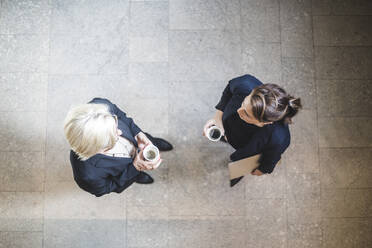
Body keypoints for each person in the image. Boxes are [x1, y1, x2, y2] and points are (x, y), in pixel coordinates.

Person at [203, 74, 302, 187]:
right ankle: (225, 137)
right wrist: (218, 117)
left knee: (238, 169)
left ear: (265, 123)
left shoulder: (279, 138)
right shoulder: (245, 83)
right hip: (228, 129)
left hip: (244, 148)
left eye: (247, 114)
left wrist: (263, 170)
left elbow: (271, 158)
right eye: (244, 103)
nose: (239, 111)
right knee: (225, 135)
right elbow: (229, 89)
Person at [64, 98, 173, 197]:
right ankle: (137, 176)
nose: (120, 132)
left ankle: (154, 141)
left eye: (114, 125)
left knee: (151, 140)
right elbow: (108, 187)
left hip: (138, 140)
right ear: (94, 150)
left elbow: (119, 114)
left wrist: (138, 133)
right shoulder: (87, 176)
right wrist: (134, 168)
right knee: (133, 175)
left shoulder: (100, 107)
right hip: (126, 171)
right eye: (112, 138)